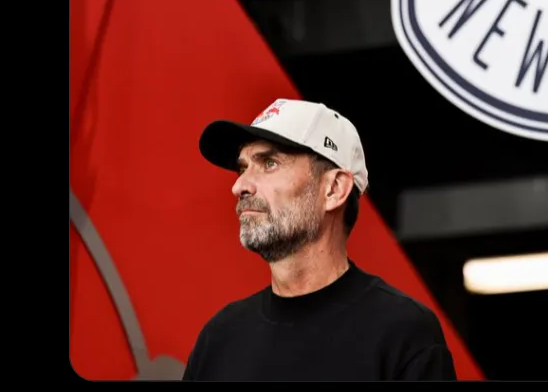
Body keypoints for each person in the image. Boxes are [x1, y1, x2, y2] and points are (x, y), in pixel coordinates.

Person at [182, 98, 458, 381]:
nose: (239, 185)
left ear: (334, 189)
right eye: (243, 168)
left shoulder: (402, 333)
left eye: (269, 163)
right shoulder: (218, 339)